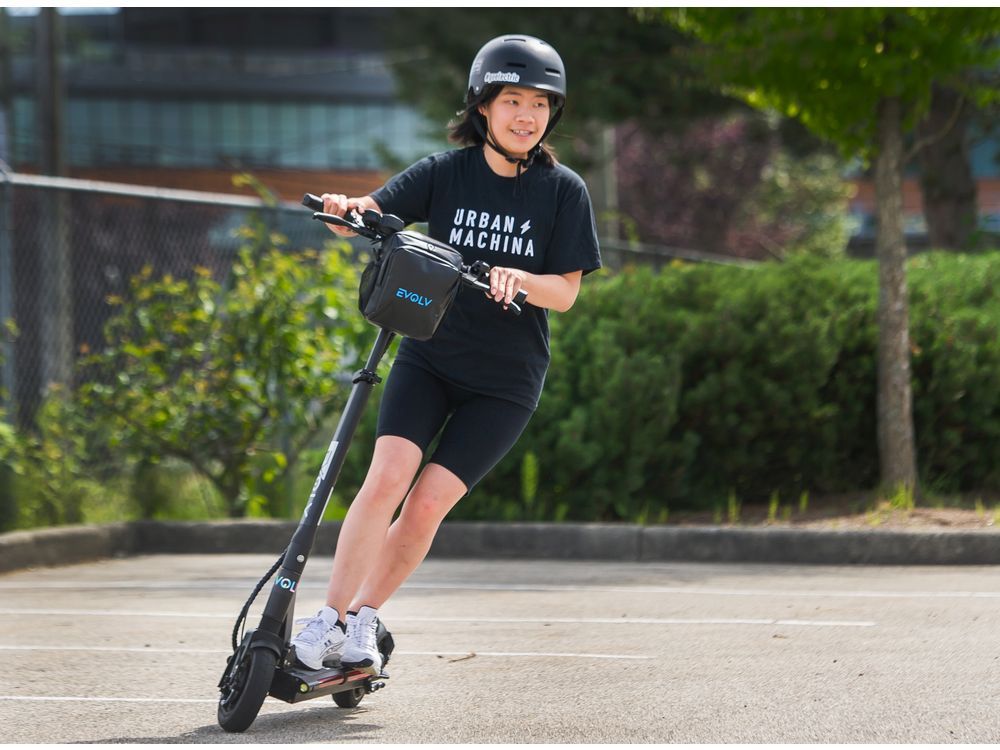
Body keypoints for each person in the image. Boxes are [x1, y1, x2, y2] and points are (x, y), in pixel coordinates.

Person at [290, 33, 602, 674]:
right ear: (483, 107)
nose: (527, 116)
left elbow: (566, 292)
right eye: (513, 100)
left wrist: (522, 280)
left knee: (428, 503)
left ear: (552, 115)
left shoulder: (562, 191)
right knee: (385, 481)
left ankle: (365, 619)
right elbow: (372, 212)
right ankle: (329, 618)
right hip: (429, 356)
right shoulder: (444, 173)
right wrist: (346, 209)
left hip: (506, 381)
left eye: (541, 105)